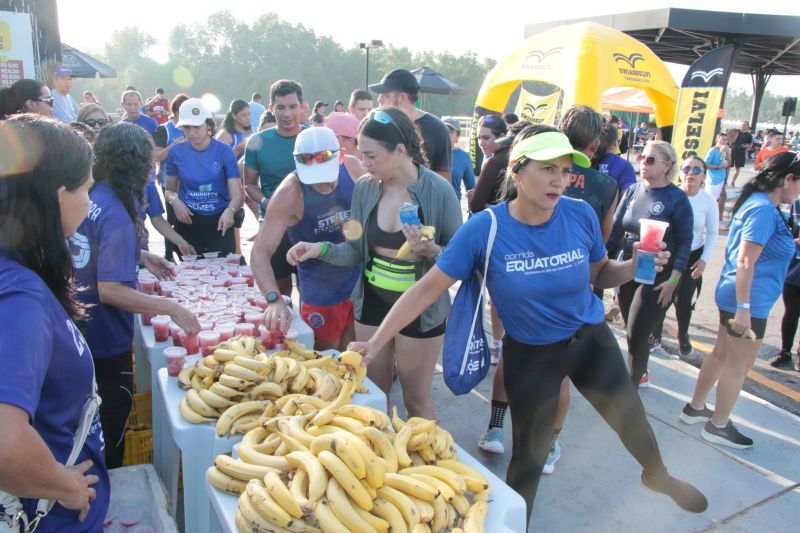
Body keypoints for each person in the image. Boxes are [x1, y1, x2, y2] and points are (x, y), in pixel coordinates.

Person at [347, 126, 708, 525]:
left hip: (590, 341)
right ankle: (518, 523)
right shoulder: (486, 229)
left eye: (567, 170)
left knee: (631, 419)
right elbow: (425, 290)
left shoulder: (579, 213)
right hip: (532, 356)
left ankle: (657, 476)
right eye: (548, 168)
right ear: (517, 172)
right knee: (529, 460)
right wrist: (376, 342)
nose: (560, 180)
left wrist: (634, 266)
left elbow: (600, 273)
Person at [287, 108, 462, 418]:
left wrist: (432, 249)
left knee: (416, 399)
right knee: (373, 394)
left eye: (370, 155)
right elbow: (355, 250)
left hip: (421, 311)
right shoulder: (366, 188)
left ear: (400, 150)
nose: (363, 163)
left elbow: (459, 260)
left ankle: (426, 460)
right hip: (371, 304)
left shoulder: (439, 191)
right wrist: (320, 249)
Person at [69, 122, 199, 468]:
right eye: (149, 161)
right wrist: (169, 306)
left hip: (82, 328)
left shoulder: (95, 198)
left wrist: (139, 256)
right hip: (104, 338)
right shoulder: (117, 216)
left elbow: (93, 252)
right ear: (137, 165)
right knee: (109, 425)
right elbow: (110, 290)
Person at [0, 115, 108, 531]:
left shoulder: (21, 272)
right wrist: (66, 487)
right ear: (58, 195)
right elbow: (5, 443)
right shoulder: (19, 299)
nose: (89, 202)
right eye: (86, 189)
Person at [683, 151, 800, 448]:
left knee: (721, 354)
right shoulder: (762, 208)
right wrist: (745, 309)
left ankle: (696, 407)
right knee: (738, 365)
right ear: (787, 178)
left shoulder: (760, 204)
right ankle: (718, 425)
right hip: (747, 299)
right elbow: (747, 261)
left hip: (737, 294)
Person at [254, 127, 364, 351]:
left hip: (358, 283)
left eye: (328, 176)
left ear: (341, 157)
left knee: (355, 353)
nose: (322, 184)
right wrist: (274, 299)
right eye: (314, 179)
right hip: (320, 291)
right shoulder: (289, 193)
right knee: (327, 357)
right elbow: (259, 252)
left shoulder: (353, 168)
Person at [609, 140, 694, 387]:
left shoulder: (677, 198)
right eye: (641, 157)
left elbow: (686, 241)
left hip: (659, 274)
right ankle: (641, 370)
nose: (642, 163)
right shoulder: (633, 190)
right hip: (628, 269)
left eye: (650, 160)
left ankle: (631, 387)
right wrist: (599, 260)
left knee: (637, 333)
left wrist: (674, 280)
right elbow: (615, 230)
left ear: (667, 166)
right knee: (631, 329)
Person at [244, 79, 308, 296]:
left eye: (292, 106)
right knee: (280, 291)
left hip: (308, 224)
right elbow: (250, 184)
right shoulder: (257, 142)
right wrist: (266, 201)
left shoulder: (313, 138)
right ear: (271, 108)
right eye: (280, 107)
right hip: (273, 226)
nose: (287, 113)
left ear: (302, 106)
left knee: (308, 289)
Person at [652, 156, 719, 355]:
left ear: (703, 176)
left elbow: (713, 232)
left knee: (684, 301)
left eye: (696, 170)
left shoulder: (708, 201)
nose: (690, 173)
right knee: (663, 296)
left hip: (692, 257)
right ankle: (655, 336)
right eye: (687, 168)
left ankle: (683, 335)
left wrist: (704, 259)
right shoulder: (671, 194)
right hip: (670, 254)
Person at [164, 98, 243, 257]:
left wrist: (230, 210)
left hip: (219, 222)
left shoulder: (224, 151)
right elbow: (169, 190)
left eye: (197, 127)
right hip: (188, 222)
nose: (192, 133)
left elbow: (237, 195)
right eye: (187, 127)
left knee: (223, 277)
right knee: (189, 277)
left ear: (208, 125)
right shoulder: (175, 152)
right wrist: (175, 201)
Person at [370, 68, 452, 180]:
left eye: (386, 95)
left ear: (402, 97)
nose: (379, 99)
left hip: (422, 197)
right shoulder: (379, 125)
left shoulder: (437, 129)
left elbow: (444, 179)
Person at [770, 194, 800, 369]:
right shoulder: (795, 204)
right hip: (794, 267)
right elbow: (785, 231)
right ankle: (785, 351)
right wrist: (792, 241)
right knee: (791, 310)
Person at [468, 114, 509, 214]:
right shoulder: (512, 155)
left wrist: (471, 197)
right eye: (479, 138)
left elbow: (475, 206)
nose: (481, 143)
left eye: (486, 138)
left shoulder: (494, 162)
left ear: (502, 137)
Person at [595, 122, 637, 193]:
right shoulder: (625, 166)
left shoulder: (586, 160)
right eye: (618, 140)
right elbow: (629, 195)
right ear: (615, 143)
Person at [443, 117, 475, 200]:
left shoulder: (464, 157)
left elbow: (471, 188)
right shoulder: (428, 153)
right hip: (429, 206)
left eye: (450, 132)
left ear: (458, 136)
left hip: (453, 206)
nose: (446, 134)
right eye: (443, 130)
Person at [705, 132, 730, 223]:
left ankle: (719, 218)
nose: (725, 141)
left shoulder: (726, 150)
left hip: (722, 177)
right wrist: (718, 167)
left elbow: (729, 164)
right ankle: (708, 219)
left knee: (723, 196)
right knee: (712, 200)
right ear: (717, 140)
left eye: (726, 140)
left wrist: (728, 153)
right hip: (713, 179)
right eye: (723, 139)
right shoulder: (713, 150)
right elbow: (706, 164)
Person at [729, 121, 753, 187]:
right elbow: (729, 137)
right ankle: (725, 181)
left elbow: (750, 145)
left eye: (745, 125)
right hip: (732, 151)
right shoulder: (736, 131)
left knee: (737, 169)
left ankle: (732, 182)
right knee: (728, 167)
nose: (743, 126)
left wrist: (745, 146)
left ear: (748, 126)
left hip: (741, 153)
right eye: (742, 125)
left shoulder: (749, 135)